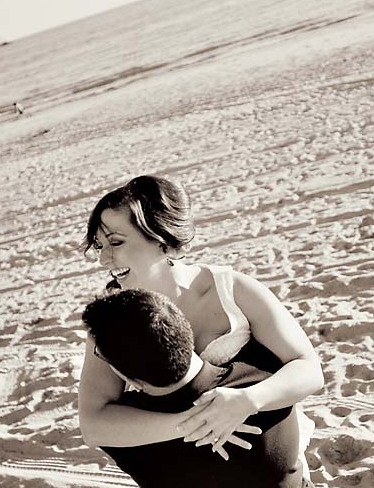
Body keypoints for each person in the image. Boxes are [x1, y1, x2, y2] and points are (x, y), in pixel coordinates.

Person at [78, 174, 323, 461]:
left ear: (161, 238)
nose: (103, 260)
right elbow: (93, 425)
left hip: (279, 458)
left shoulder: (232, 290)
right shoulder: (112, 321)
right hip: (191, 476)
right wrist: (194, 422)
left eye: (115, 243)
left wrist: (249, 399)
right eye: (98, 245)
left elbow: (309, 370)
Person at [82, 289, 333, 488]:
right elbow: (305, 366)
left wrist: (186, 424)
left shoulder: (128, 441)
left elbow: (92, 423)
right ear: (187, 332)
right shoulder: (264, 375)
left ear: (129, 379)